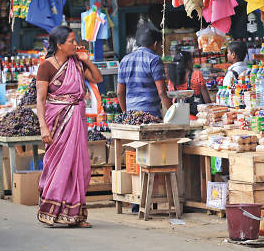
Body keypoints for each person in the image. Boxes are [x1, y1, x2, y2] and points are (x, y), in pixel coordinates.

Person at [36, 26, 103, 227]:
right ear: (59, 45)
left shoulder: (77, 64)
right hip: (56, 122)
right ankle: (51, 211)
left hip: (77, 119)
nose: (75, 44)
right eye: (71, 41)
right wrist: (43, 127)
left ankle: (75, 215)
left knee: (79, 166)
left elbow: (98, 79)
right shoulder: (46, 67)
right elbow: (40, 99)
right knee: (58, 165)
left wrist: (86, 60)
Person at [117, 22, 172, 118]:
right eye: (161, 46)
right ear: (155, 44)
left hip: (131, 117)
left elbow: (119, 93)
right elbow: (162, 93)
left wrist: (126, 115)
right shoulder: (154, 59)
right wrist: (173, 112)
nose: (161, 49)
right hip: (150, 116)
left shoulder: (125, 60)